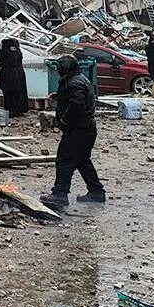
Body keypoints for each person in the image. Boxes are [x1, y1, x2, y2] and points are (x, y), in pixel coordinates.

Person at [41, 54, 105, 208]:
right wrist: (60, 96)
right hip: (86, 129)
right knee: (83, 161)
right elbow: (76, 98)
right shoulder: (78, 79)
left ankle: (60, 194)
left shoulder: (74, 82)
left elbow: (77, 102)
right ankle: (96, 192)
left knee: (64, 161)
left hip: (78, 130)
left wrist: (64, 120)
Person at [0, 38, 29, 116]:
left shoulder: (6, 51)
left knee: (8, 94)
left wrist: (0, 49)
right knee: (18, 93)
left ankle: (10, 110)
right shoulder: (18, 51)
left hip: (8, 74)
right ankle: (18, 110)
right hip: (19, 73)